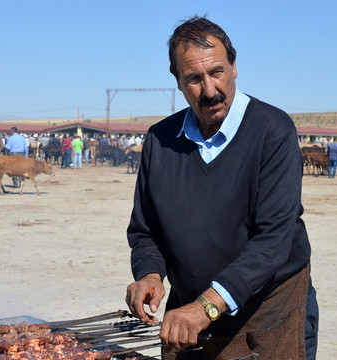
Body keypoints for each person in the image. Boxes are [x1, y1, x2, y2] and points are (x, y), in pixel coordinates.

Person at [125, 16, 317, 360]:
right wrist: (150, 273)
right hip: (188, 313)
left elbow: (272, 240)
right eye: (195, 79)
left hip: (268, 313)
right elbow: (145, 230)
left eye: (217, 72)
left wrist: (207, 307)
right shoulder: (159, 139)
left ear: (234, 67)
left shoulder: (272, 130)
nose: (210, 90)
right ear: (178, 82)